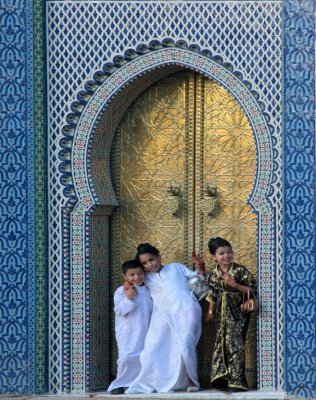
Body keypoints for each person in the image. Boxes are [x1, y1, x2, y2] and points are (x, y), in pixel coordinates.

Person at [125, 243, 203, 394]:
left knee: (186, 346)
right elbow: (131, 278)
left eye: (152, 259)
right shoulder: (145, 277)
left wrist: (201, 266)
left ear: (159, 256)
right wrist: (126, 284)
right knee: (152, 348)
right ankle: (156, 380)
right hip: (161, 317)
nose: (149, 265)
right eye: (145, 263)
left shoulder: (176, 268)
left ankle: (193, 381)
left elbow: (198, 281)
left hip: (186, 310)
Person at [192, 237, 257, 392]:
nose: (226, 256)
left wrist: (234, 285)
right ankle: (222, 379)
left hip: (237, 313)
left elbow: (252, 290)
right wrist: (209, 311)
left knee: (235, 345)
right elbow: (212, 294)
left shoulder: (240, 270)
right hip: (221, 315)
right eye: (221, 253)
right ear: (214, 257)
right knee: (221, 344)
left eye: (229, 252)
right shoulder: (213, 275)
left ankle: (237, 382)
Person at [107, 260, 153, 395]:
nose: (136, 277)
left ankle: (137, 383)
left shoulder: (149, 289)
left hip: (148, 330)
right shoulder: (121, 291)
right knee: (126, 358)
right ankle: (119, 383)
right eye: (132, 275)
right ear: (125, 277)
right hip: (129, 332)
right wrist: (129, 298)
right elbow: (120, 311)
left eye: (140, 273)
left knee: (144, 357)